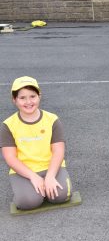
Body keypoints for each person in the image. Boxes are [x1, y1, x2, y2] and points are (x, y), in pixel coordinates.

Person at [0, 76, 73, 210]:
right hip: (24, 171)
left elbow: (58, 151)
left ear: (39, 96)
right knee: (28, 202)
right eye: (22, 98)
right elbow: (10, 158)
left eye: (32, 96)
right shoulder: (8, 125)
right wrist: (33, 176)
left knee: (61, 195)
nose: (28, 102)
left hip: (50, 167)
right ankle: (31, 190)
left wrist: (50, 176)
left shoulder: (52, 119)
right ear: (14, 100)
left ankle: (44, 187)